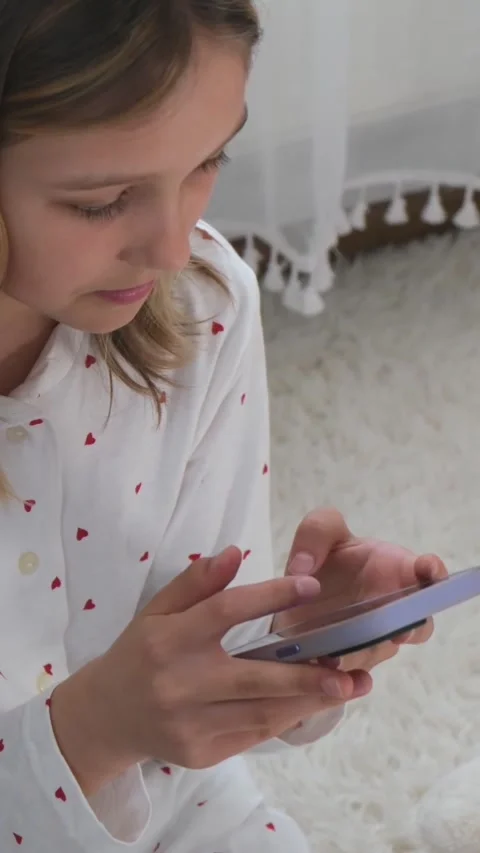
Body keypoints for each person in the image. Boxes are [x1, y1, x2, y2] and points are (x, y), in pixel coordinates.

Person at [0, 2, 447, 851]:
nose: (173, 249)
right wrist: (91, 729)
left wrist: (294, 636)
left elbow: (187, 681)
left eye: (208, 160)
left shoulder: (202, 305)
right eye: (101, 202)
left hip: (179, 813)